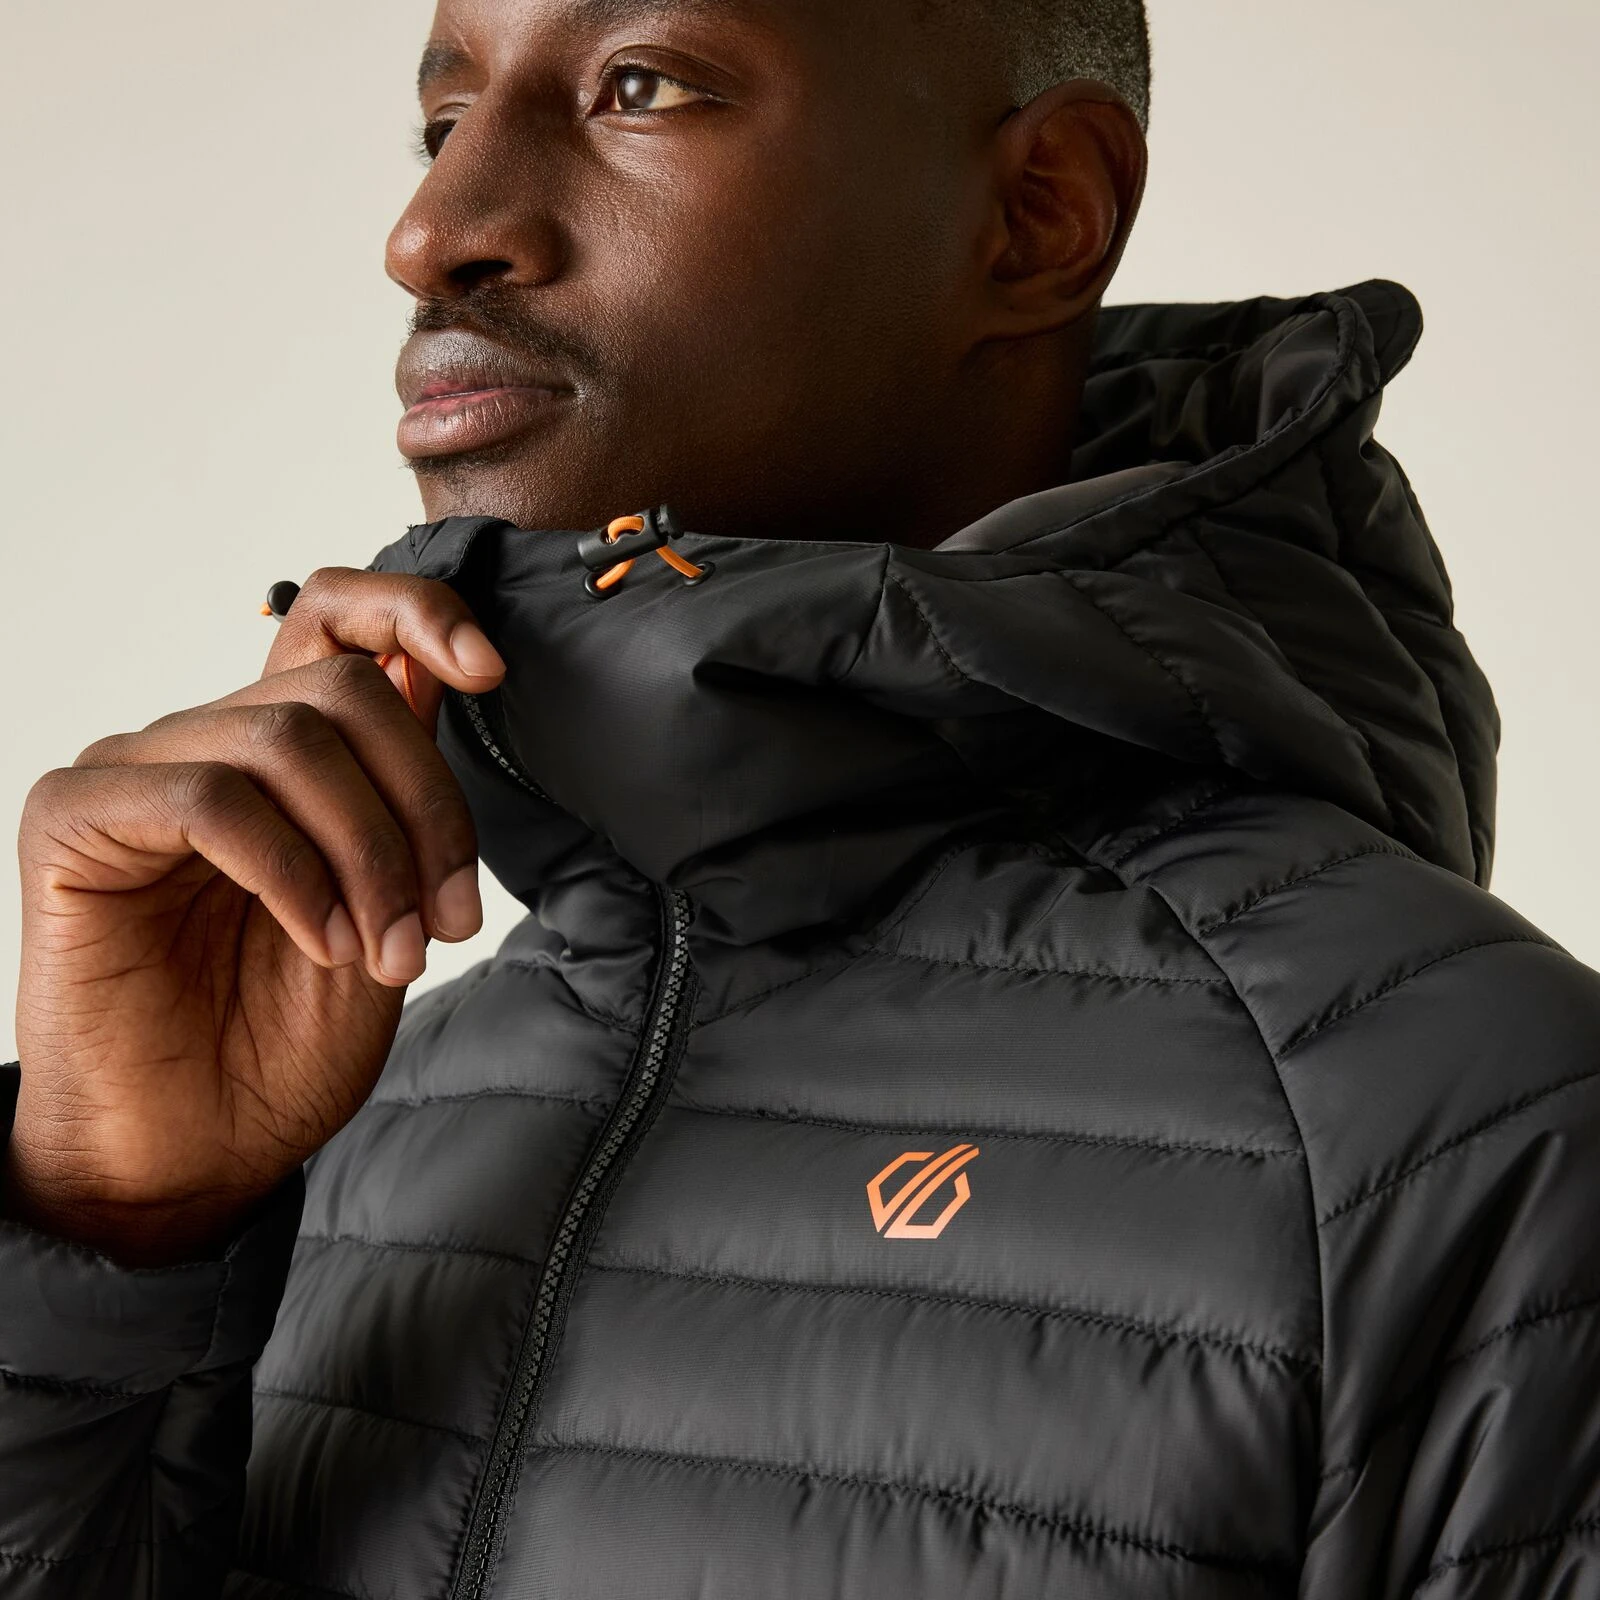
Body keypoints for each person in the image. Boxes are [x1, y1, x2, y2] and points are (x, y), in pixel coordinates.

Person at [3, 0, 1598, 1593]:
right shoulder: (331, 1121)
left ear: (1041, 210)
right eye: (443, 123)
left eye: (639, 87)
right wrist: (110, 1232)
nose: (433, 231)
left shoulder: (1463, 1137)